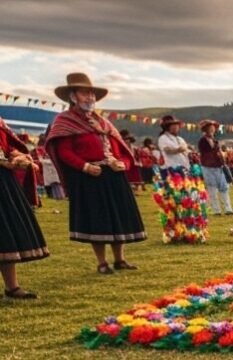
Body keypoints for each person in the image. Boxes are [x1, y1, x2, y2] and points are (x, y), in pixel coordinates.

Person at [44, 72, 146, 273]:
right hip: (89, 176)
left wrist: (123, 163)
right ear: (73, 96)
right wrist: (85, 167)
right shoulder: (64, 121)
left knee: (117, 216)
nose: (90, 97)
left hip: (112, 175)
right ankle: (102, 262)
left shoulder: (104, 123)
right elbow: (64, 152)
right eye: (85, 93)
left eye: (92, 94)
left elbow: (120, 149)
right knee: (97, 219)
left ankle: (120, 259)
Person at [0, 116, 47, 298]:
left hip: (3, 180)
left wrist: (17, 156)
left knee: (6, 233)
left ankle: (12, 287)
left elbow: (7, 146)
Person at [154, 114, 208, 244]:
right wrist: (180, 149)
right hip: (172, 174)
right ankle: (174, 232)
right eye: (174, 125)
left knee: (188, 201)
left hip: (186, 173)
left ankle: (189, 231)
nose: (177, 127)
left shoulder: (180, 138)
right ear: (168, 126)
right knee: (173, 202)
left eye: (177, 125)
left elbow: (187, 152)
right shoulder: (163, 139)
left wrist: (190, 153)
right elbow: (168, 150)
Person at [197, 120, 233, 215]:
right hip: (208, 167)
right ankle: (216, 210)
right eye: (210, 127)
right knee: (212, 189)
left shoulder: (215, 140)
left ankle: (228, 209)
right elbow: (206, 152)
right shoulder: (202, 141)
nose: (213, 129)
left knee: (224, 188)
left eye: (213, 127)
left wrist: (222, 161)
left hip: (218, 167)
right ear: (206, 129)